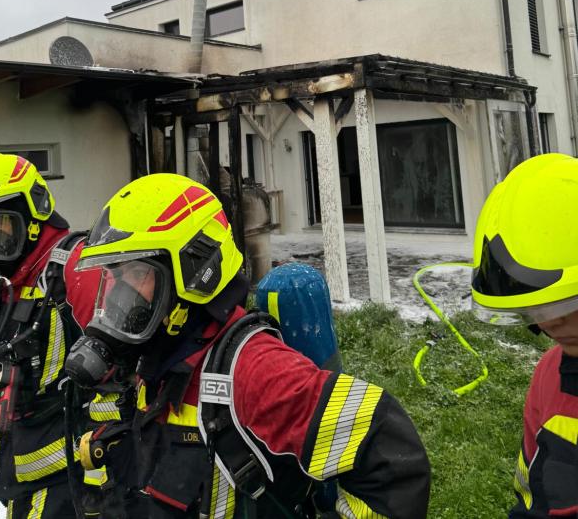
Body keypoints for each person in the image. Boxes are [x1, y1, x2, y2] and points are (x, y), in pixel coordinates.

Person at [66, 172, 431, 519]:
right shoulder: (164, 362)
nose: (119, 295)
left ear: (195, 270)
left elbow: (385, 445)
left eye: (137, 274)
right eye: (115, 276)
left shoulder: (254, 369)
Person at [0, 152, 102, 518]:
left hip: (70, 467)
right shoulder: (17, 280)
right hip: (25, 454)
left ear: (34, 214)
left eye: (0, 226)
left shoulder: (76, 268)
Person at [471, 152, 578, 517]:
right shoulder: (549, 377)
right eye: (535, 313)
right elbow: (534, 496)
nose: (551, 324)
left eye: (564, 305)